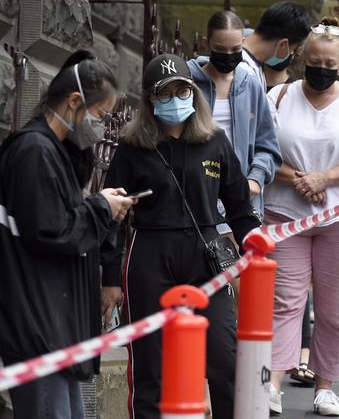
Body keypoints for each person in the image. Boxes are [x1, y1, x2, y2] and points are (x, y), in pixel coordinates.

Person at [105, 54, 261, 419]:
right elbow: (112, 218)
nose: (176, 99)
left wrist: (255, 246)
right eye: (165, 93)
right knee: (150, 367)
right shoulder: (132, 147)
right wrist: (109, 278)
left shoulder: (215, 142)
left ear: (194, 94)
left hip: (206, 254)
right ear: (150, 100)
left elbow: (239, 207)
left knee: (224, 359)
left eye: (183, 90)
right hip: (150, 254)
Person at [0, 50, 134, 418]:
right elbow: (51, 231)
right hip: (39, 322)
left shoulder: (54, 151)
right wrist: (101, 208)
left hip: (54, 322)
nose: (102, 126)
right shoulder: (34, 151)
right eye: (100, 115)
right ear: (75, 101)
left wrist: (99, 208)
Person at [264, 18, 339, 416]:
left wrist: (324, 178)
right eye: (314, 61)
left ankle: (325, 385)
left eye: (329, 63)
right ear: (301, 58)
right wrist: (296, 178)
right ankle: (274, 382)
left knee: (336, 307)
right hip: (285, 213)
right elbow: (260, 146)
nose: (321, 69)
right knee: (284, 302)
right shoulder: (279, 95)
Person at [187, 10, 282, 226]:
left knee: (239, 259)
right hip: (195, 196)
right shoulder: (187, 83)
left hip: (240, 200)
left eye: (236, 49)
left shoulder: (250, 85)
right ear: (206, 42)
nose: (228, 55)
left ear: (244, 42)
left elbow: (267, 144)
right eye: (220, 49)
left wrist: (255, 180)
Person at [241, 1, 311, 92]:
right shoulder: (244, 74)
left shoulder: (251, 65)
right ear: (283, 44)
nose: (291, 54)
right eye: (292, 49)